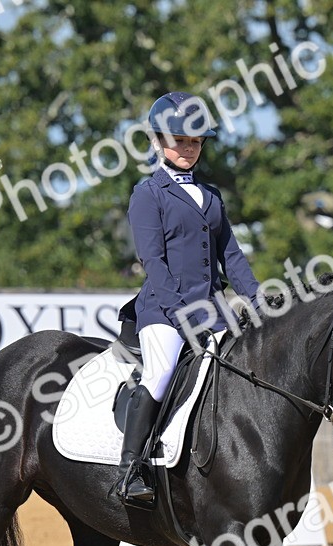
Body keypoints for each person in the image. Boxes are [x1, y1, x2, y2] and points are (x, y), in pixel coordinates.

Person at [113, 91, 263, 509]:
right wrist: (181, 314)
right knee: (160, 374)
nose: (189, 148)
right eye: (180, 140)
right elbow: (153, 262)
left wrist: (255, 297)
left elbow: (230, 253)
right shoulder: (148, 194)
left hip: (213, 309)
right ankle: (131, 469)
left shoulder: (211, 196)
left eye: (196, 142)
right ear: (159, 141)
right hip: (163, 310)